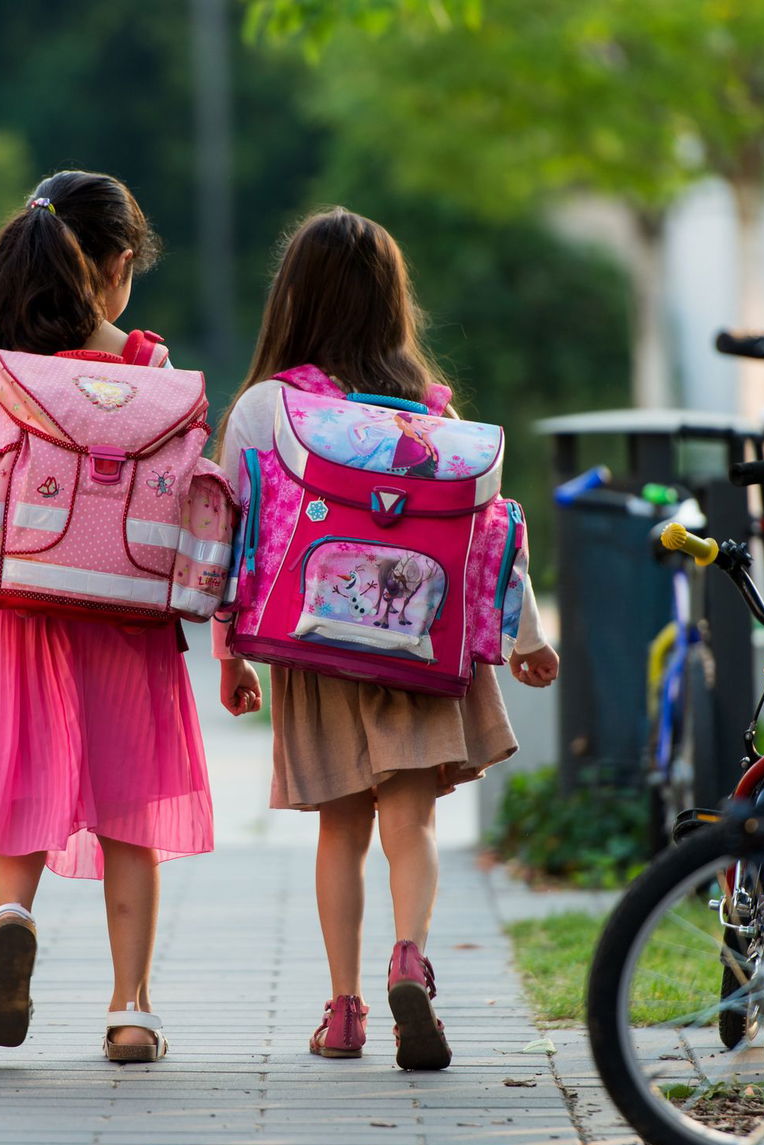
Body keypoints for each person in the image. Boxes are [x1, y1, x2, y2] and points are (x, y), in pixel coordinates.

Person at [213, 208, 560, 1071]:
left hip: (315, 641)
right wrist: (527, 634)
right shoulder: (433, 418)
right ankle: (411, 953)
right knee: (412, 824)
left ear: (293, 299)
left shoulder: (268, 409)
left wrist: (230, 651)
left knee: (341, 831)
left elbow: (229, 531)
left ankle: (343, 1010)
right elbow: (489, 537)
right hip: (417, 644)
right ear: (392, 304)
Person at [0, 172, 213, 1063]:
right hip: (126, 613)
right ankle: (131, 1008)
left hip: (12, 606)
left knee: (19, 777)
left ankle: (11, 914)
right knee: (131, 807)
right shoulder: (148, 365)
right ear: (115, 265)